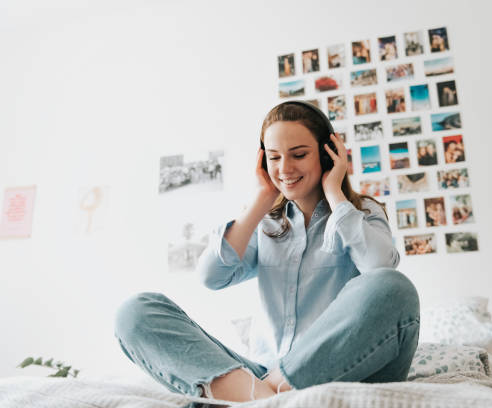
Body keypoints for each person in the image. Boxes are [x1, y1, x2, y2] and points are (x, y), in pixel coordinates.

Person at [114, 102, 420, 405]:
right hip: (261, 375)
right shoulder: (267, 224)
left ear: (328, 155)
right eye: (274, 157)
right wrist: (262, 200)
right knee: (135, 312)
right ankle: (263, 400)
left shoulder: (359, 213)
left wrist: (335, 194)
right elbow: (211, 276)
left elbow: (380, 267)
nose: (284, 169)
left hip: (343, 371)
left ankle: (262, 399)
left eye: (299, 155)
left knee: (393, 288)